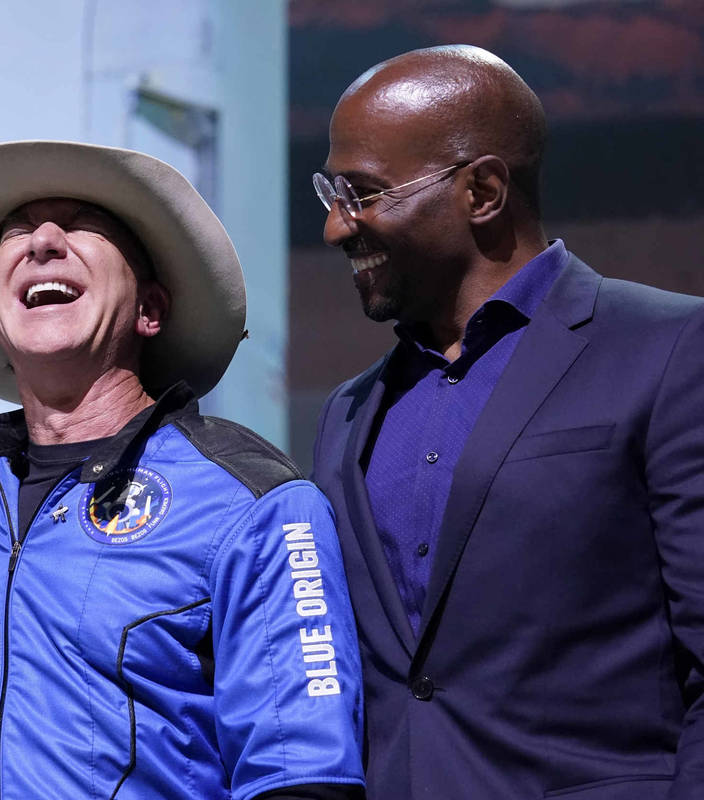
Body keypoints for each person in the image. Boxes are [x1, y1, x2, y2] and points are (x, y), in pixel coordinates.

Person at [310, 44, 704, 799]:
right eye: (330, 193)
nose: (336, 227)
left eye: (361, 193)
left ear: (482, 191)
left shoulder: (670, 351)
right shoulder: (348, 412)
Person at [0, 140, 365, 800]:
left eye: (81, 222)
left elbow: (303, 776)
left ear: (150, 309)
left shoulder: (252, 500)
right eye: (16, 229)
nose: (43, 239)